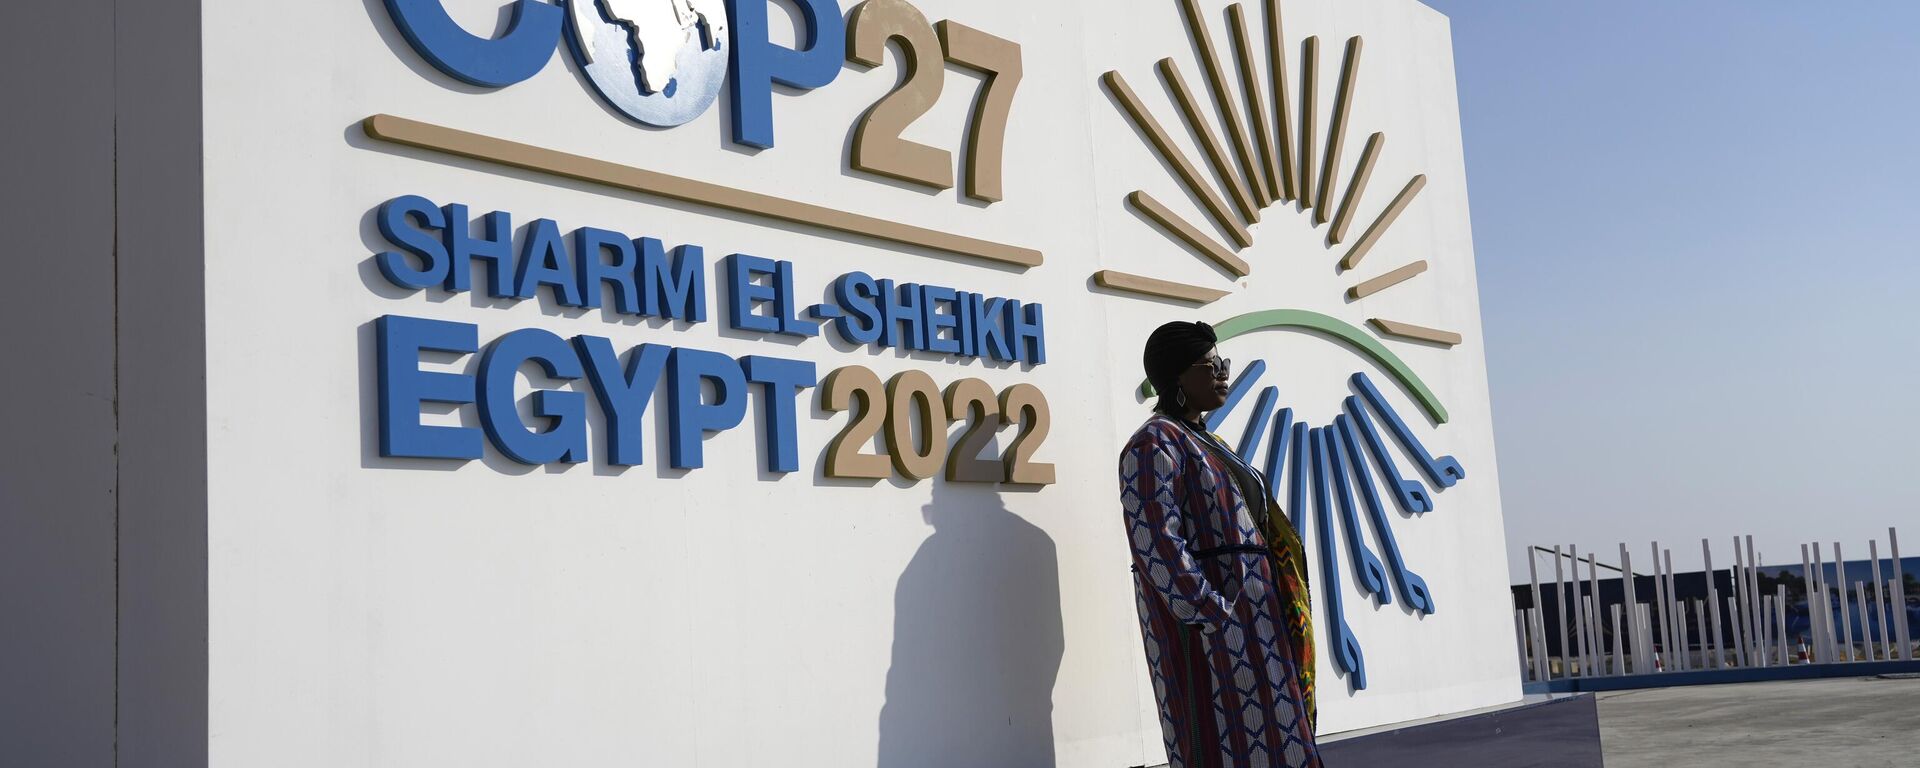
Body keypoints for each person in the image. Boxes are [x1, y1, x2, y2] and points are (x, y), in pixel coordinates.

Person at [1119, 320, 1322, 768]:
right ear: (1176, 377)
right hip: (1211, 636)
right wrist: (1211, 614)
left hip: (1260, 622)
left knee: (1283, 743)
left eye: (1222, 362)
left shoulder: (1211, 442)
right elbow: (1157, 543)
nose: (1222, 373)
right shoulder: (1153, 443)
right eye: (1209, 365)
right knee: (1221, 743)